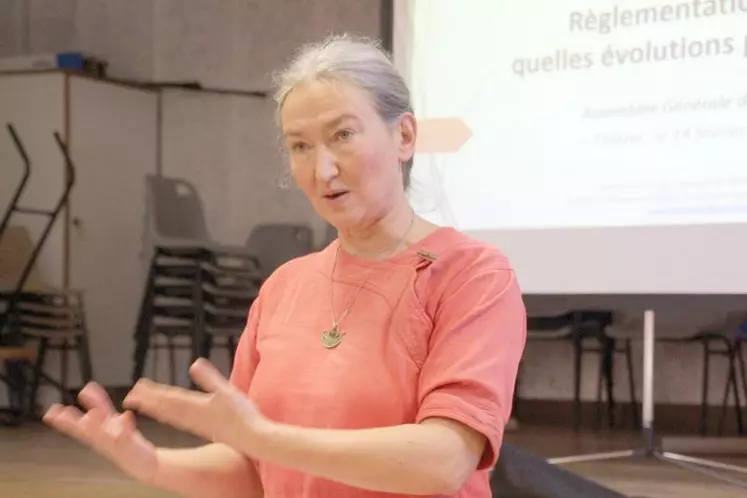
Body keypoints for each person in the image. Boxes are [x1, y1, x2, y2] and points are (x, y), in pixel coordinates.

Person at [43, 33, 527, 497]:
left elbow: (443, 462)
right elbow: (250, 470)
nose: (323, 170)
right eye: (300, 146)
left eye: (343, 135)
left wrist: (264, 438)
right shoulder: (283, 287)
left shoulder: (472, 274)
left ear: (403, 136)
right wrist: (150, 462)